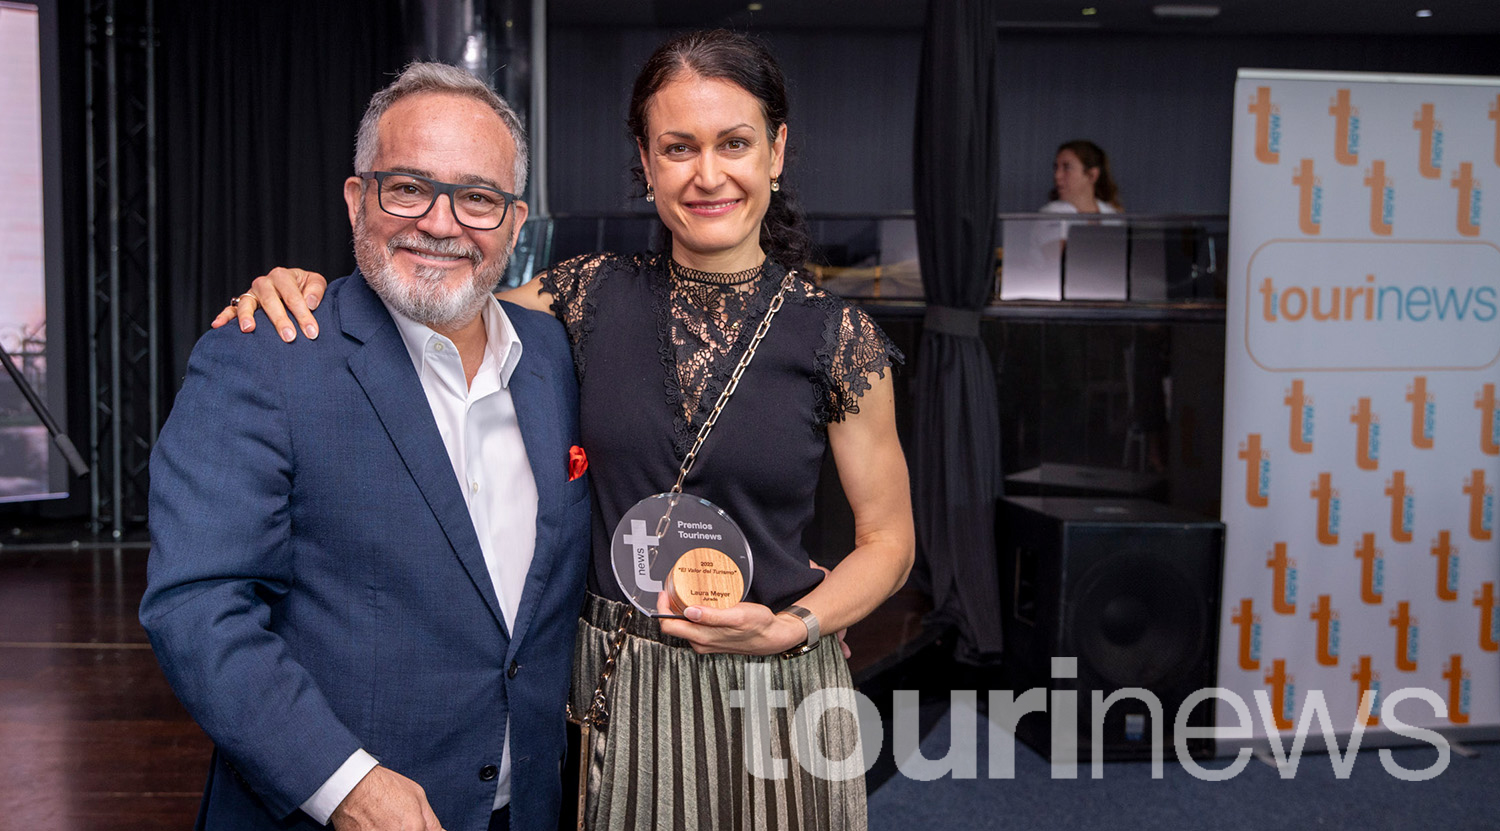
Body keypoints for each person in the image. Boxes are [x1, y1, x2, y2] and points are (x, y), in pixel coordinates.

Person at [218, 29, 915, 831]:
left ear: (777, 151)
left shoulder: (841, 340)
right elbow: (430, 290)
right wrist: (303, 286)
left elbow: (889, 542)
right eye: (678, 147)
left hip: (774, 677)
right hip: (614, 683)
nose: (709, 173)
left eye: (735, 143)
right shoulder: (582, 298)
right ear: (647, 164)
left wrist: (797, 622)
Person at [143, 63, 590, 831]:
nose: (442, 223)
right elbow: (197, 605)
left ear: (516, 222)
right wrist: (342, 784)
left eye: (478, 197)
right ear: (358, 199)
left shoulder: (554, 356)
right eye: (408, 187)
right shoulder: (262, 355)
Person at [1040, 139, 1122, 216]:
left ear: (1092, 175)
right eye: (1056, 168)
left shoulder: (1112, 215)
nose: (1057, 176)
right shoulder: (1050, 215)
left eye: (1067, 168)